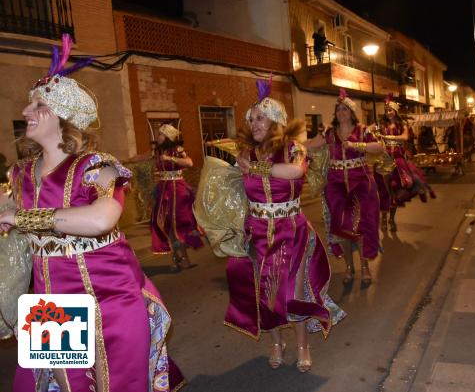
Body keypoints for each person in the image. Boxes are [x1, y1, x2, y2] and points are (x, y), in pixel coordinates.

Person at [0, 34, 184, 392]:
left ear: (63, 116)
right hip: (50, 305)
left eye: (37, 105)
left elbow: (102, 218)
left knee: (117, 385)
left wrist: (24, 219)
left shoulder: (98, 167)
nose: (25, 112)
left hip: (110, 295)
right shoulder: (19, 174)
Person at [218, 78, 345, 373]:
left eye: (260, 118)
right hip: (257, 231)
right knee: (264, 293)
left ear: (275, 120)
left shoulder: (293, 149)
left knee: (294, 292)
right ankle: (276, 343)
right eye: (251, 120)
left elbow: (295, 172)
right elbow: (232, 193)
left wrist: (259, 168)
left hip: (291, 230)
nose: (254, 124)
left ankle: (302, 345)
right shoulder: (246, 155)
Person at [304, 89, 383, 286]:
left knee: (361, 225)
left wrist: (359, 146)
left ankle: (364, 266)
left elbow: (379, 147)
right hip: (336, 185)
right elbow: (310, 144)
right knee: (342, 227)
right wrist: (288, 145)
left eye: (345, 109)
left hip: (361, 183)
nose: (341, 113)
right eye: (338, 110)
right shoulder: (329, 133)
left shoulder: (363, 130)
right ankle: (349, 267)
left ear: (352, 112)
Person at [129, 123, 205, 271]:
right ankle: (179, 258)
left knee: (179, 225)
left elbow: (189, 162)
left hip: (178, 190)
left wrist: (171, 159)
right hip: (164, 190)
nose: (157, 137)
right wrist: (122, 161)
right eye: (158, 134)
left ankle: (183, 259)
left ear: (168, 136)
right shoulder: (156, 152)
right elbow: (139, 157)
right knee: (165, 224)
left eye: (160, 134)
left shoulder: (177, 150)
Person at [374, 95, 435, 232]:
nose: (388, 112)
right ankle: (384, 217)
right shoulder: (381, 125)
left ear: (395, 111)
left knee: (397, 190)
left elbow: (405, 137)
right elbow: (371, 132)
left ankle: (391, 219)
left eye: (390, 110)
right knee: (383, 191)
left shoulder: (403, 125)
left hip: (397, 158)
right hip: (383, 158)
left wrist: (388, 137)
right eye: (386, 110)